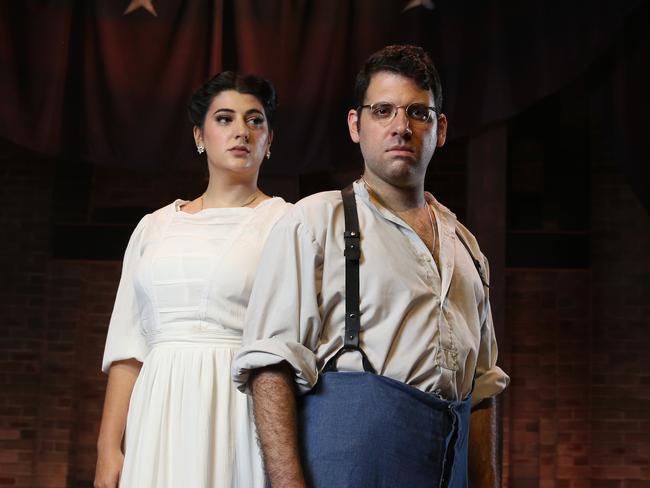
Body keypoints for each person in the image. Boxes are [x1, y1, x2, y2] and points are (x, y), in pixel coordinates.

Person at [232, 45, 509, 487]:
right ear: (355, 125)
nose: (401, 127)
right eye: (383, 111)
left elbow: (483, 390)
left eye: (419, 113)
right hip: (349, 465)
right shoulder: (315, 221)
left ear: (440, 130)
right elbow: (270, 367)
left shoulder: (467, 248)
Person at [94, 71, 290, 488]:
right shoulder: (153, 227)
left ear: (270, 141)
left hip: (238, 405)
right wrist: (108, 448)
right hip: (157, 407)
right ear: (199, 135)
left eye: (255, 120)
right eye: (225, 119)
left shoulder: (288, 223)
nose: (241, 131)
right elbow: (129, 346)